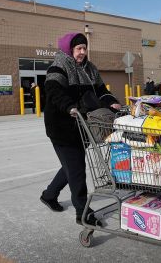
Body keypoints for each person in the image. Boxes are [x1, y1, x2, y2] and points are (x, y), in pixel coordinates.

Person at [40, 33, 121, 226]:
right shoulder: (59, 66)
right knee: (76, 168)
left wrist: (112, 102)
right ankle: (82, 212)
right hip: (61, 126)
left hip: (82, 125)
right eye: (79, 49)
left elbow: (101, 91)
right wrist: (69, 106)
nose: (82, 52)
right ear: (70, 49)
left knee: (71, 165)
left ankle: (49, 195)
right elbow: (53, 91)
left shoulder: (90, 69)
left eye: (84, 48)